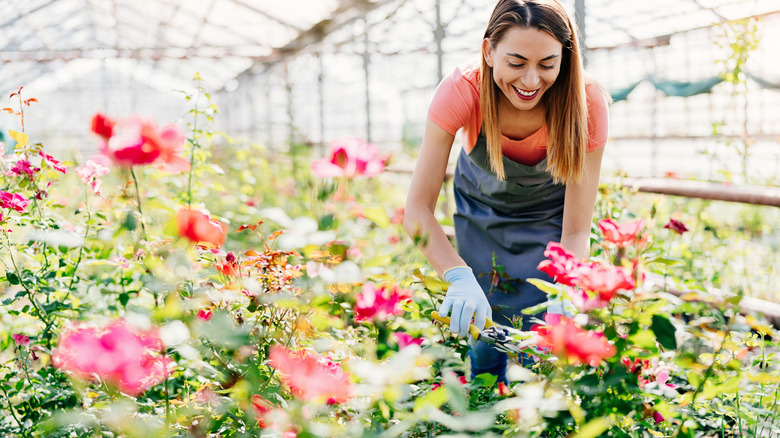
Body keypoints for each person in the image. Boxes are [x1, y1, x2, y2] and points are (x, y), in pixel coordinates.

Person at [403, 0, 609, 382]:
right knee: (484, 321)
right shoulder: (462, 89)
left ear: (565, 58)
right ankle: (483, 395)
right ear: (488, 52)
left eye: (547, 65)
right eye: (516, 63)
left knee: (544, 339)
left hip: (549, 214)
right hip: (482, 210)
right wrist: (457, 276)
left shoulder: (587, 102)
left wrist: (567, 288)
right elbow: (416, 210)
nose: (531, 81)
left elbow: (577, 228)